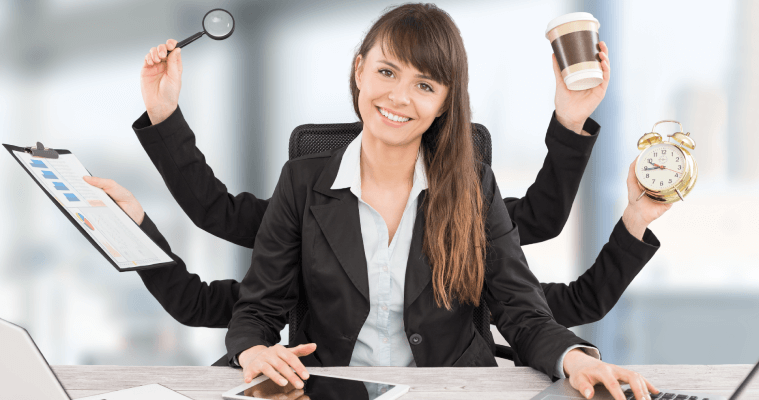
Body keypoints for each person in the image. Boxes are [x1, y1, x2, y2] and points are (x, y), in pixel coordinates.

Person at [106, 1, 663, 339]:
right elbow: (208, 251)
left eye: (424, 84)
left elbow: (556, 256)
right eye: (387, 72)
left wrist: (574, 127)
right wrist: (161, 125)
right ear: (359, 72)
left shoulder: (465, 206)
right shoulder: (306, 201)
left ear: (446, 102)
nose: (400, 97)